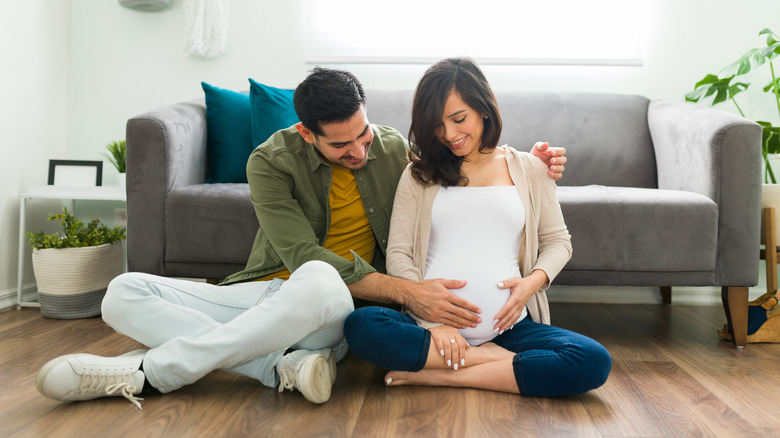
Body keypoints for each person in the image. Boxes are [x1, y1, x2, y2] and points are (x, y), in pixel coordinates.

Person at [34, 67, 568, 409]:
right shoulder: (268, 162)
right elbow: (298, 254)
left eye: (363, 132)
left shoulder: (391, 152)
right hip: (268, 291)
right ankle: (276, 367)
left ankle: (150, 374)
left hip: (332, 308)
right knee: (122, 291)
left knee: (320, 280)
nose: (360, 150)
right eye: (341, 144)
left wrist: (535, 162)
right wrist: (408, 292)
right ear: (306, 134)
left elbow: (463, 165)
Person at [344, 57, 611, 396]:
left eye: (459, 119)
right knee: (362, 328)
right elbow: (399, 253)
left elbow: (558, 241)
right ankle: (494, 366)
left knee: (591, 360)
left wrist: (531, 284)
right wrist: (434, 321)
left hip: (510, 328)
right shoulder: (418, 175)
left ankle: (446, 373)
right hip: (428, 327)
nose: (450, 135)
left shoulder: (530, 168)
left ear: (484, 108)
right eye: (438, 126)